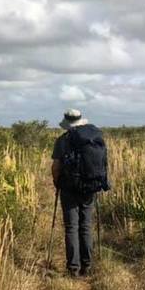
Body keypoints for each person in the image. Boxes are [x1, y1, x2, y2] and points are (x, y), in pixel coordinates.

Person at [51, 108, 109, 277]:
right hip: (89, 186)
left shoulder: (62, 140)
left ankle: (73, 268)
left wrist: (57, 183)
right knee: (85, 226)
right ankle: (87, 265)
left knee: (71, 227)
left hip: (69, 188)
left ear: (66, 123)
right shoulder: (93, 138)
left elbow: (56, 167)